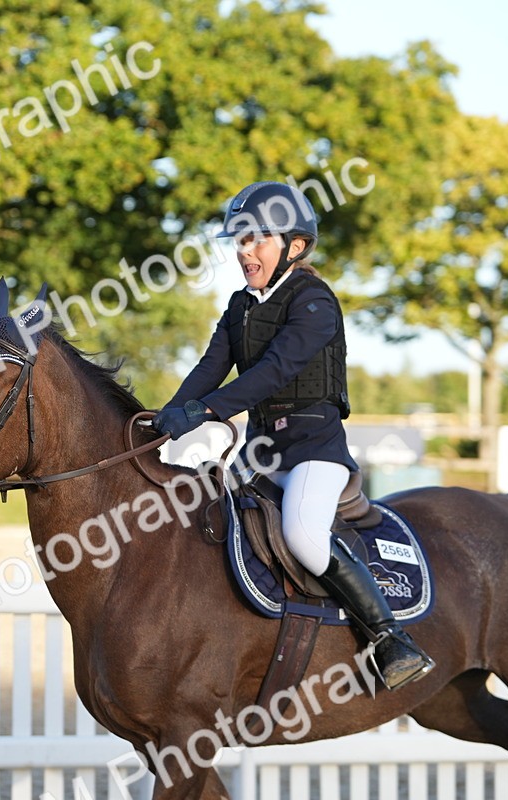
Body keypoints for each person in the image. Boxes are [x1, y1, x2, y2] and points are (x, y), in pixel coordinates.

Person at [152, 181, 434, 691]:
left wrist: (205, 410)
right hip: (258, 454)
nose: (244, 251)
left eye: (256, 239)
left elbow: (275, 372)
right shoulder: (240, 306)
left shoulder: (314, 302)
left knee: (303, 535)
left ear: (294, 246)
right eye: (239, 241)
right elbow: (209, 366)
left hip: (314, 452)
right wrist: (166, 415)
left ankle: (390, 638)